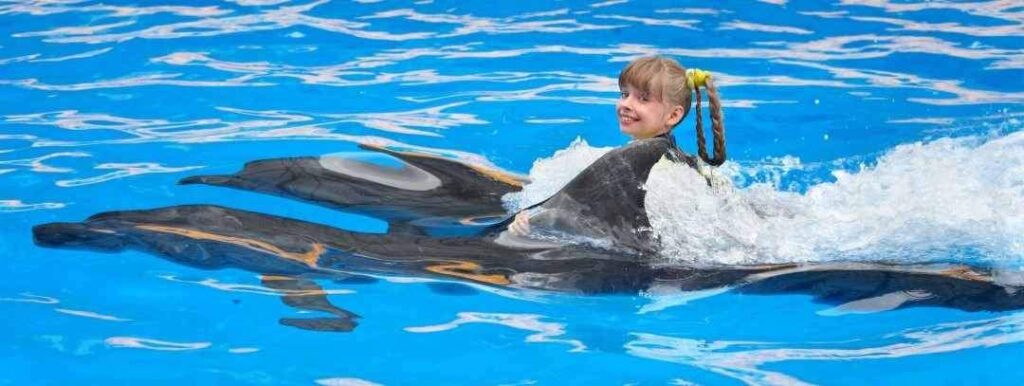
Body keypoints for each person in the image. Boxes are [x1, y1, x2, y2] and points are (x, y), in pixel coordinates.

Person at [506, 56, 727, 250]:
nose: (626, 104)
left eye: (643, 98)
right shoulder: (684, 162)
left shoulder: (639, 163)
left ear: (673, 116)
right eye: (624, 94)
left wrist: (536, 224)